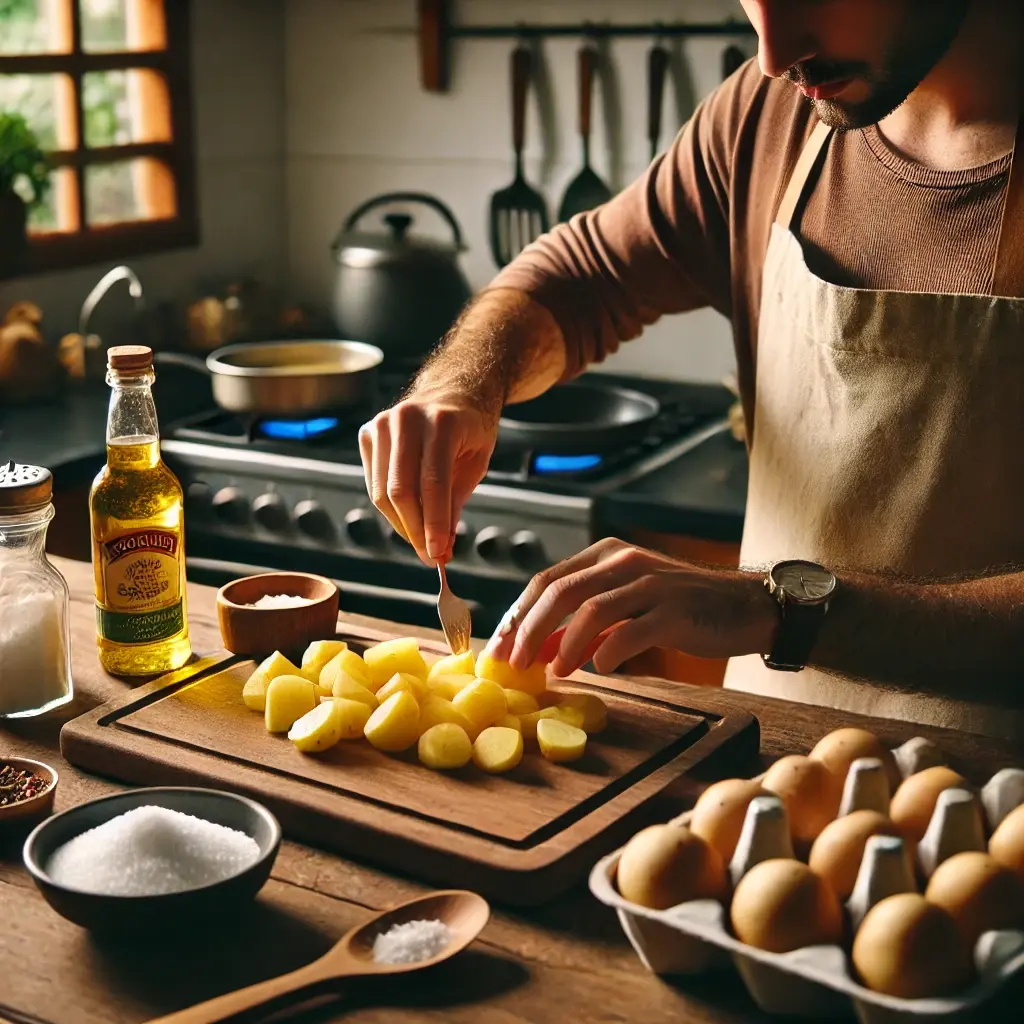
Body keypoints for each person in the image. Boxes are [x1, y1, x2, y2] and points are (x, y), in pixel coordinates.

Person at [359, 0, 1024, 740]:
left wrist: (774, 609)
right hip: (762, 769)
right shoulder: (767, 114)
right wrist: (465, 382)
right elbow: (583, 276)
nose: (773, 52)